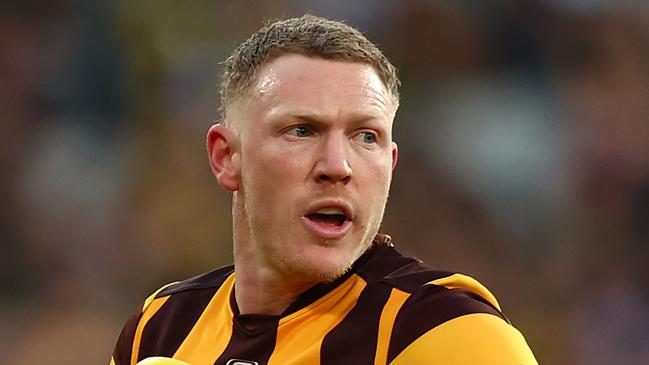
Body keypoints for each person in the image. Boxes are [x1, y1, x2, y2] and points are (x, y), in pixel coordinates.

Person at [111, 15, 538, 365]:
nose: (338, 166)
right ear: (227, 157)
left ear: (390, 164)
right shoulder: (160, 329)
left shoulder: (442, 331)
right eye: (302, 130)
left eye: (365, 136)